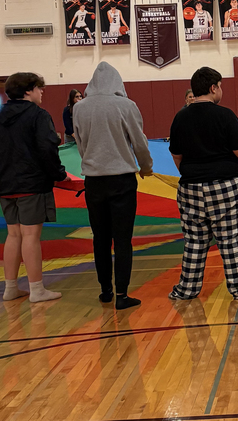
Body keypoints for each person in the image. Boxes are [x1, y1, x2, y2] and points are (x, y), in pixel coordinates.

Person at [167, 67, 238, 300]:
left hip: (190, 188)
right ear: (213, 88)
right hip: (225, 186)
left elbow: (177, 155)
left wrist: (192, 175)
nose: (221, 90)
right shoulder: (225, 115)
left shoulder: (180, 117)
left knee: (194, 242)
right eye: (220, 86)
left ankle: (186, 290)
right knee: (231, 240)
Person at [73, 62, 153, 310]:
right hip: (122, 180)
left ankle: (105, 290)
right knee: (122, 239)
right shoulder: (126, 106)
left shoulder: (79, 108)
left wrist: (92, 163)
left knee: (100, 238)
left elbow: (80, 143)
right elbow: (139, 142)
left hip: (94, 180)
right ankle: (122, 294)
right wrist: (146, 167)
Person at [0, 72, 67, 302]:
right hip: (31, 183)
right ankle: (37, 289)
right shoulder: (38, 116)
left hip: (6, 183)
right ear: (29, 90)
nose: (42, 93)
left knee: (13, 234)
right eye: (40, 88)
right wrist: (58, 175)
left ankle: (11, 287)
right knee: (31, 235)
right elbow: (48, 149)